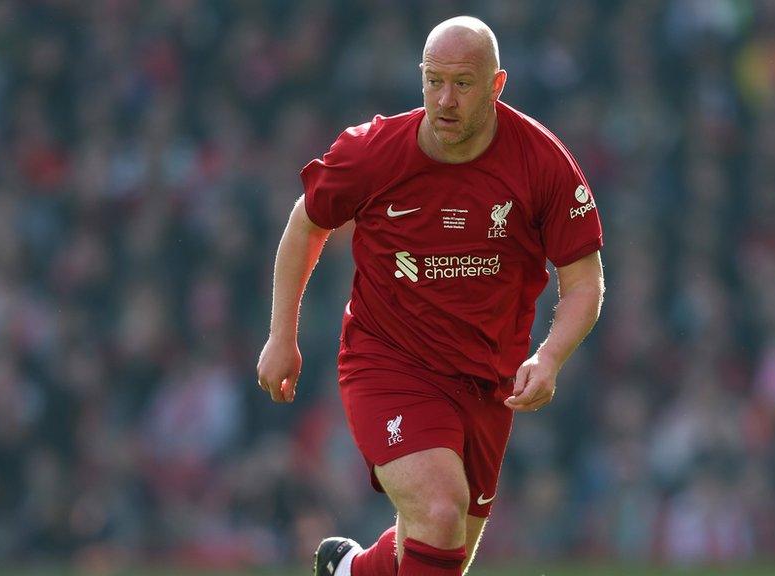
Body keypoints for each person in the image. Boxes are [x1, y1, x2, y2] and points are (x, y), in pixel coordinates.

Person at [256, 15, 604, 576]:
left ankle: (347, 572)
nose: (445, 99)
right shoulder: (375, 152)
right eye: (432, 80)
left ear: (496, 86)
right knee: (440, 515)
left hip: (489, 382)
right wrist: (281, 335)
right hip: (389, 362)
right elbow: (306, 223)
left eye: (462, 84)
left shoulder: (541, 163)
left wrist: (550, 354)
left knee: (441, 553)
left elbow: (585, 282)